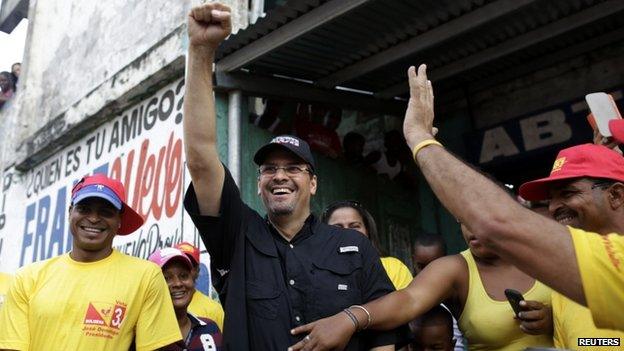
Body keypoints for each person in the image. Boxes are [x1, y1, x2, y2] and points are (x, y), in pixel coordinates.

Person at [182, 3, 407, 350]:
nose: (279, 176)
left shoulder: (353, 247)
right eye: (269, 169)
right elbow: (200, 156)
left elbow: (384, 332)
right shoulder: (237, 235)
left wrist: (349, 320)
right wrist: (200, 51)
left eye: (293, 168)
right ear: (258, 183)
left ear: (313, 183)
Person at [0, 173, 182, 350]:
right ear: (70, 212)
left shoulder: (146, 276)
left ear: (119, 220)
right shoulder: (27, 278)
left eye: (106, 212)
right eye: (84, 209)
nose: (94, 218)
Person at [321, 200, 413, 290]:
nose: (347, 233)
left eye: (354, 226)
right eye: (337, 228)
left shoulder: (393, 267)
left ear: (367, 231)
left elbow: (405, 304)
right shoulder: (315, 271)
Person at [148, 247, 223, 351]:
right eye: (166, 278)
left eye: (183, 276)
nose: (178, 283)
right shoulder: (142, 336)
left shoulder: (210, 328)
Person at [411, 233, 465, 351]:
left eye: (434, 266)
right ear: (413, 260)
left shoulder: (458, 298)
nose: (427, 273)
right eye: (421, 266)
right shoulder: (408, 301)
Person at [175, 241, 225, 330]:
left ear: (197, 271)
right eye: (178, 266)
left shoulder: (213, 310)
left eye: (189, 266)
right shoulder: (158, 306)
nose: (183, 271)